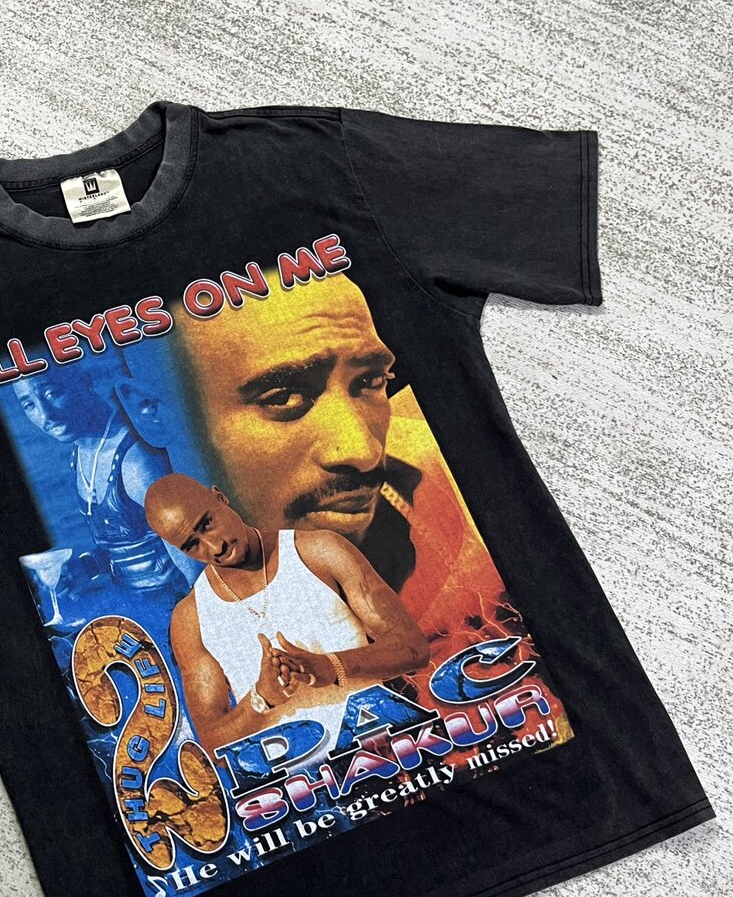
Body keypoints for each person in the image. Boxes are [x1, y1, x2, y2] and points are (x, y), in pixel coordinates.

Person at [166, 269, 506, 636]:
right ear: (155, 412)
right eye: (284, 397)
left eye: (370, 381)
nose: (364, 452)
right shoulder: (196, 621)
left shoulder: (451, 518)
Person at [144, 473, 429, 756]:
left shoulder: (319, 552)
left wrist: (331, 666)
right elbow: (213, 743)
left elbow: (413, 647)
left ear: (220, 497)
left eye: (207, 524)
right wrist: (261, 697)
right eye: (192, 545)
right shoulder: (191, 619)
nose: (215, 546)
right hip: (303, 780)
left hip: (384, 755)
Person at [11, 360, 186, 592]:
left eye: (52, 393)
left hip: (179, 599)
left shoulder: (136, 463)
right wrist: (88, 566)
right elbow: (133, 539)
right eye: (29, 405)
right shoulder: (82, 452)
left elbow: (195, 558)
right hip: (140, 597)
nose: (46, 414)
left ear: (85, 380)